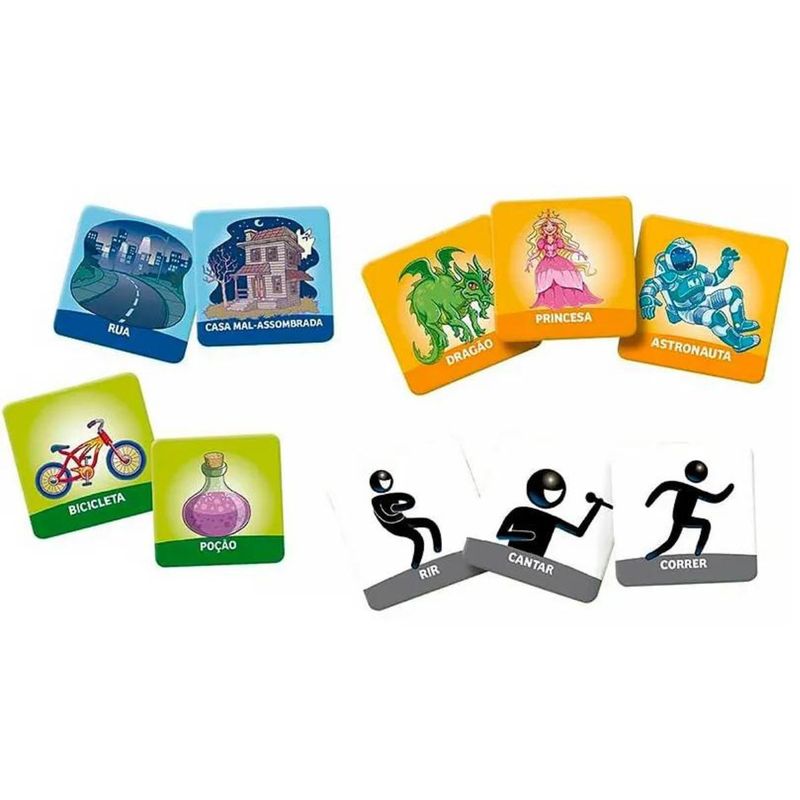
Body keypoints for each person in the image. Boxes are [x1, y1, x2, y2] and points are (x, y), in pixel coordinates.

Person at [496, 468, 610, 557]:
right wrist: (527, 536)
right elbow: (500, 535)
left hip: (537, 562)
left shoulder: (550, 519)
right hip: (514, 555)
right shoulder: (520, 511)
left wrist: (596, 506)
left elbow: (579, 532)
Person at [643, 460, 734, 560]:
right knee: (704, 525)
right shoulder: (694, 491)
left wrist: (649, 503)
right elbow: (716, 498)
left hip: (679, 517)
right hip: (683, 518)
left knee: (671, 541)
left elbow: (663, 486)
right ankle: (698, 550)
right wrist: (730, 488)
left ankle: (652, 556)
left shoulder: (682, 487)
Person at [526, 210, 602, 309]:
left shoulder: (558, 240)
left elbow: (566, 247)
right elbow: (537, 252)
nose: (549, 228)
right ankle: (552, 300)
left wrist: (578, 251)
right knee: (547, 280)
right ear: (541, 229)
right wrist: (530, 260)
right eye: (545, 225)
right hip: (546, 263)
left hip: (559, 261)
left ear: (557, 227)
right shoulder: (541, 241)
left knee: (566, 277)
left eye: (553, 225)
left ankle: (570, 298)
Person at [369, 470, 442, 570]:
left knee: (430, 523)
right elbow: (385, 516)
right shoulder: (376, 502)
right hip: (394, 527)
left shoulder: (389, 497)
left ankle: (438, 548)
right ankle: (415, 564)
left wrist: (403, 505)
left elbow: (408, 500)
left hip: (403, 520)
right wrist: (398, 507)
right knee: (418, 538)